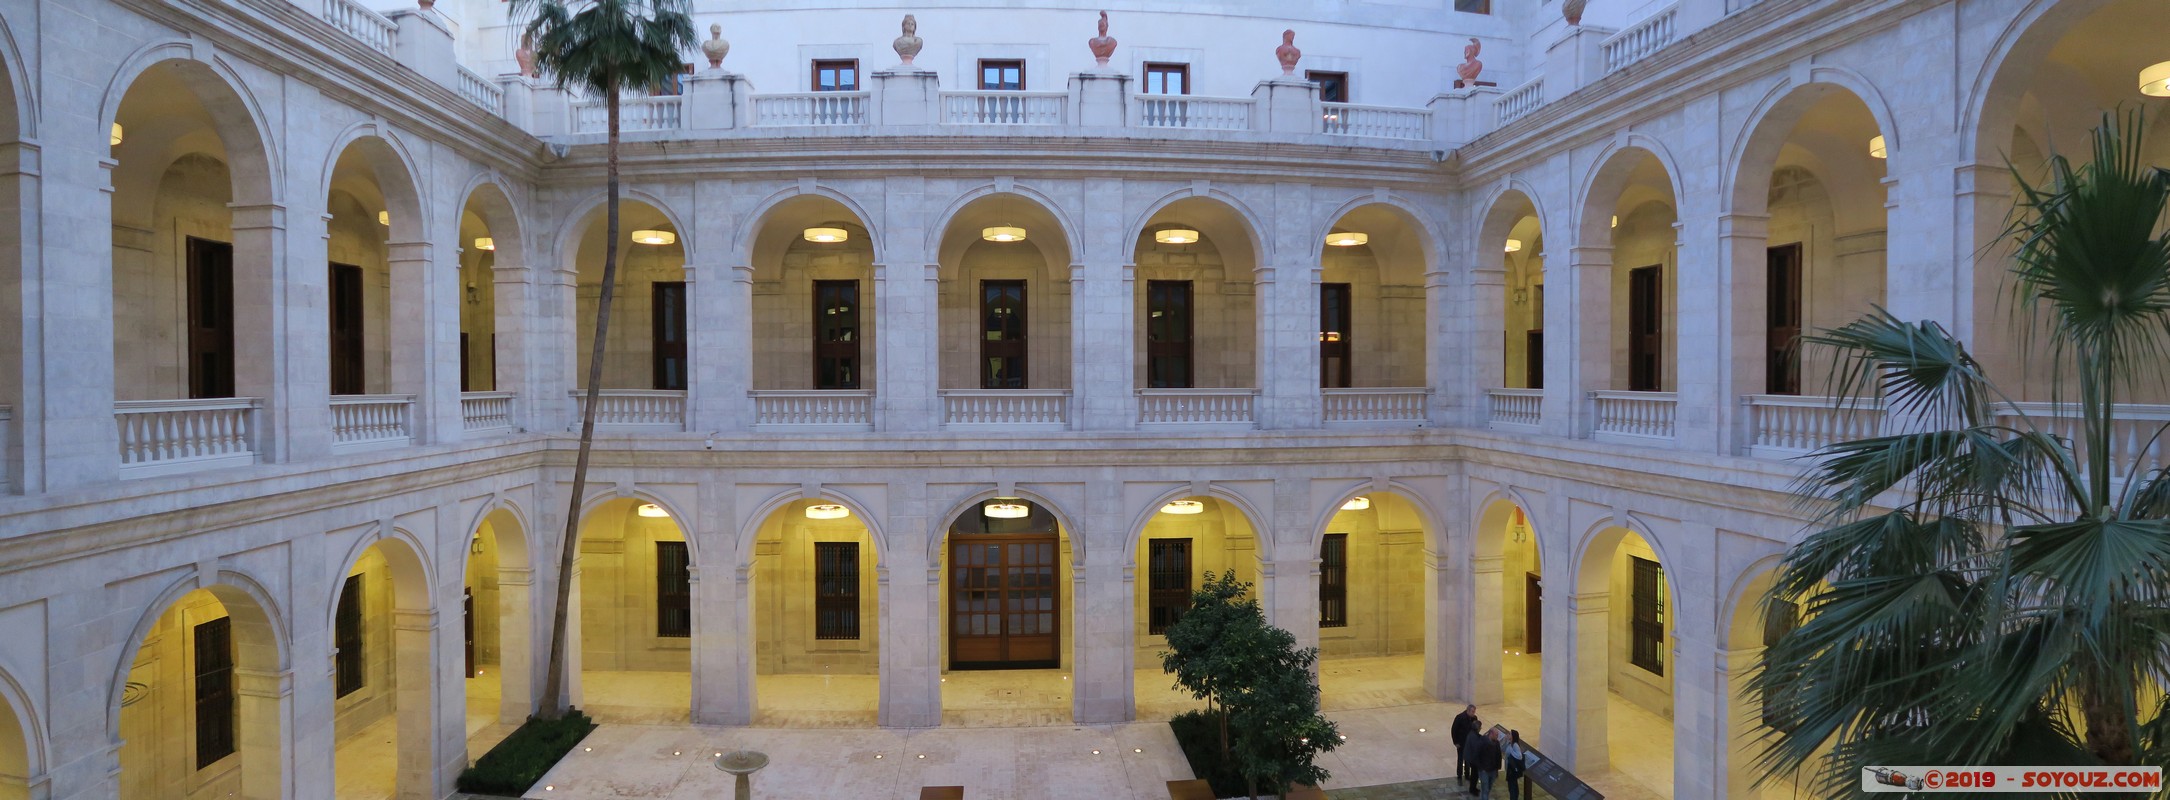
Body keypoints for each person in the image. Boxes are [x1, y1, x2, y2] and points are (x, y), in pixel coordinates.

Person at [1450, 705, 1478, 786]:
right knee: (1460, 759)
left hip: (1469, 743)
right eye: (1472, 712)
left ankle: (1467, 774)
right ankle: (1459, 775)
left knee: (1468, 759)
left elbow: (1475, 730)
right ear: (1468, 711)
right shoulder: (1459, 717)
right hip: (1461, 743)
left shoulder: (1474, 718)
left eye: (1474, 712)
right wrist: (1455, 742)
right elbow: (1454, 730)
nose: (1474, 713)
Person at [1503, 729, 1534, 800]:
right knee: (1513, 787)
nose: (1508, 734)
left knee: (1512, 788)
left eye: (1510, 734)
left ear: (1513, 736)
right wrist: (1505, 741)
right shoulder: (1510, 743)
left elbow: (1519, 756)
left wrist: (1511, 751)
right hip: (1509, 769)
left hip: (1512, 770)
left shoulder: (1515, 745)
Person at [1475, 729, 1505, 799]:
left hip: (1493, 770)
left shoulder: (1497, 743)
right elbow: (1477, 755)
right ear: (1491, 734)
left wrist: (1497, 768)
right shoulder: (1482, 742)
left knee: (1488, 788)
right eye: (1496, 735)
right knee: (1485, 789)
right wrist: (1481, 768)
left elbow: (1498, 756)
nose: (1497, 737)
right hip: (1484, 771)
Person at [1462, 723, 1488, 795]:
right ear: (1477, 728)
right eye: (1480, 727)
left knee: (1474, 774)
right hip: (1472, 758)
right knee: (1474, 775)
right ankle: (1472, 789)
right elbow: (1476, 748)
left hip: (1470, 757)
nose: (1481, 728)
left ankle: (1473, 788)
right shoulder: (1473, 736)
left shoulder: (1472, 734)